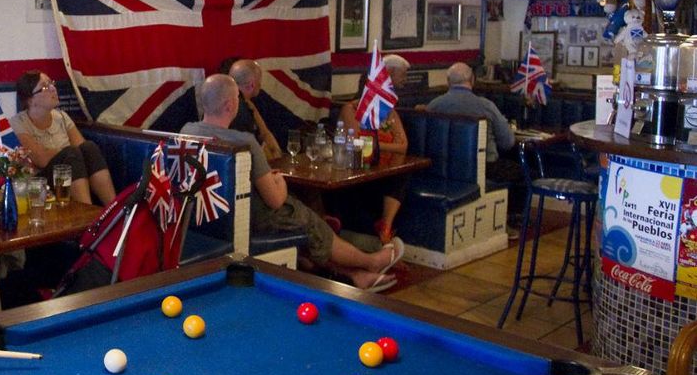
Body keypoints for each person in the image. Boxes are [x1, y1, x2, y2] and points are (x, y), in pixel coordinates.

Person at [182, 75, 404, 292]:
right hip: (247, 220)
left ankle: (357, 275)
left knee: (306, 221)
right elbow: (276, 200)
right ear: (230, 105)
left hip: (208, 218)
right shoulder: (244, 142)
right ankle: (370, 262)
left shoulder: (186, 131)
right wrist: (279, 181)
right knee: (309, 222)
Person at [424, 63, 520, 237]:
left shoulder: (433, 105)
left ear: (448, 82)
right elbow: (508, 142)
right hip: (484, 168)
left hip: (440, 168)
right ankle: (505, 222)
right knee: (518, 171)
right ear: (472, 80)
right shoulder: (486, 106)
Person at [12, 71, 115, 206]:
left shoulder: (62, 117)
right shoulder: (18, 123)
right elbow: (41, 159)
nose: (53, 88)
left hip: (71, 173)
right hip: (39, 182)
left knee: (89, 148)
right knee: (71, 154)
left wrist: (62, 152)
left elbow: (82, 149)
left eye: (51, 83)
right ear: (30, 100)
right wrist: (65, 152)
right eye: (45, 87)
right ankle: (87, 212)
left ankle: (114, 208)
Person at [338, 54, 411, 243]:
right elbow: (357, 143)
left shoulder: (389, 111)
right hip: (360, 170)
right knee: (394, 179)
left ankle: (385, 227)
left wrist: (377, 145)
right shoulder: (351, 110)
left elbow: (403, 145)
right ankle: (383, 236)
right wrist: (385, 146)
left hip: (384, 169)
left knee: (400, 174)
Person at [227, 59, 284, 161]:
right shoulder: (241, 110)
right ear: (252, 85)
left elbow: (265, 134)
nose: (261, 85)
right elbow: (259, 153)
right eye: (259, 81)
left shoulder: (233, 102)